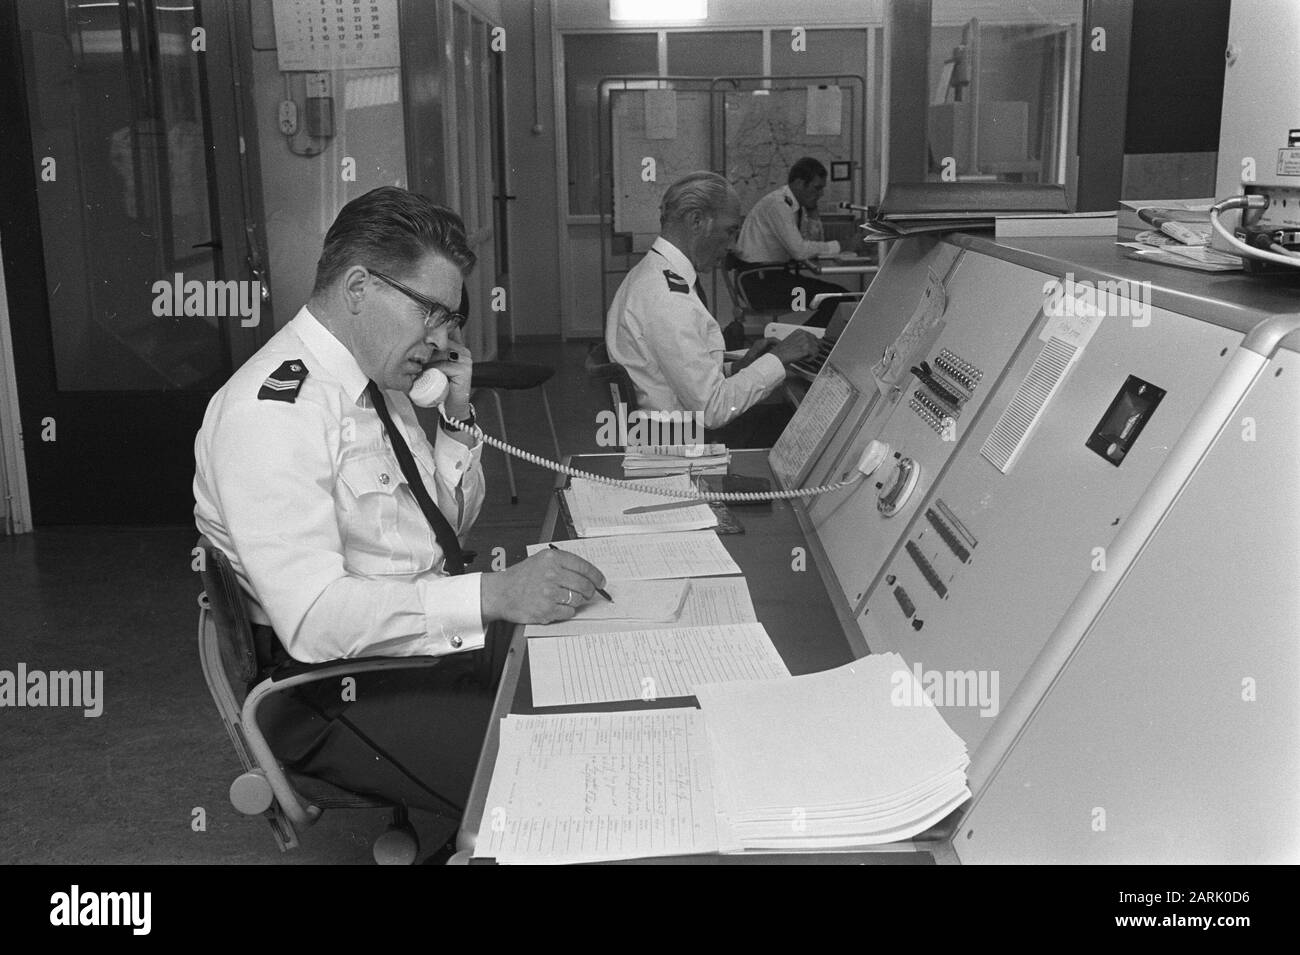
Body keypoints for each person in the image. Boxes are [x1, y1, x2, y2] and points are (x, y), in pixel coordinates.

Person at [193, 186, 604, 824]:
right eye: (431, 313)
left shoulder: (377, 381)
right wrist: (493, 595)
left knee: (591, 670)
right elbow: (314, 621)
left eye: (450, 321)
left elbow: (442, 529)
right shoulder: (270, 412)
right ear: (359, 287)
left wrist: (457, 420)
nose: (441, 341)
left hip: (414, 645)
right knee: (570, 775)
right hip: (336, 691)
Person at [605, 171, 819, 448]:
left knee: (785, 418)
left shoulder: (651, 275)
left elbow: (677, 377)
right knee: (804, 427)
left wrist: (737, 369)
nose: (732, 245)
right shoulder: (668, 298)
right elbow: (713, 410)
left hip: (669, 429)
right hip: (679, 442)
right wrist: (779, 358)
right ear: (696, 221)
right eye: (730, 231)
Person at [732, 156, 859, 328]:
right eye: (817, 188)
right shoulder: (778, 205)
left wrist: (813, 212)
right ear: (799, 183)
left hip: (771, 280)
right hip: (761, 288)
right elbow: (799, 250)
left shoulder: (792, 206)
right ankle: (804, 341)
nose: (820, 194)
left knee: (839, 298)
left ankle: (807, 339)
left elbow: (813, 243)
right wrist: (843, 246)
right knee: (839, 299)